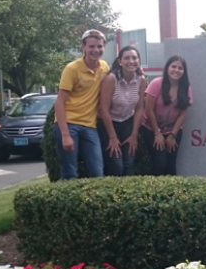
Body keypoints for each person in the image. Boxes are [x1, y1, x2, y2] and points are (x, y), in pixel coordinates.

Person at [54, 29, 109, 180]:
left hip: (90, 126)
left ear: (104, 46)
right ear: (83, 47)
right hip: (69, 124)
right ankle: (67, 203)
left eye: (99, 46)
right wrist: (65, 134)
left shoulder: (104, 67)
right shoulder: (72, 69)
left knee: (97, 172)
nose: (96, 50)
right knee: (70, 172)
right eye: (91, 46)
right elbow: (59, 102)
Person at [98, 45, 147, 176]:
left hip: (127, 123)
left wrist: (134, 134)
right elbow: (103, 109)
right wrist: (112, 137)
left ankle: (128, 195)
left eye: (134, 58)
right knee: (116, 165)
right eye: (127, 58)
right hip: (108, 124)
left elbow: (139, 108)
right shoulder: (111, 79)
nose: (131, 61)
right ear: (120, 61)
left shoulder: (141, 80)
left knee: (129, 164)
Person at [141, 55, 192, 175]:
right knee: (160, 163)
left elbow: (182, 114)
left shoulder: (185, 88)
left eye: (180, 68)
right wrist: (157, 133)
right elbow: (149, 110)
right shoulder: (156, 83)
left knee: (170, 165)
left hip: (173, 131)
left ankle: (173, 193)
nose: (176, 70)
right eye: (173, 66)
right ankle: (150, 192)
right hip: (150, 129)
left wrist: (172, 135)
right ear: (167, 68)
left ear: (184, 71)